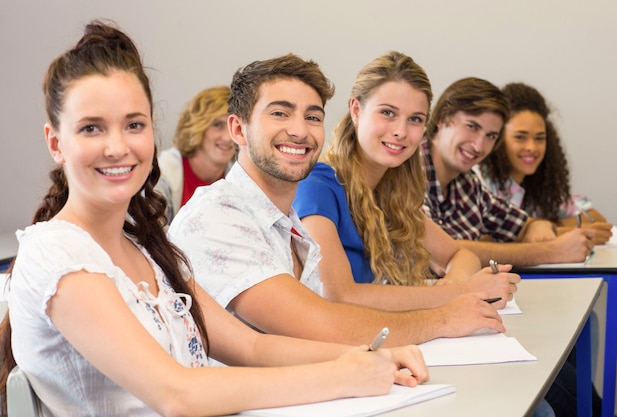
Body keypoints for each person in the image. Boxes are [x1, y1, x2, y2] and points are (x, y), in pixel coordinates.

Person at [0, 21, 429, 417]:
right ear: (56, 142)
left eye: (134, 125)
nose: (117, 147)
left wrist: (365, 356)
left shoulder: (148, 249)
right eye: (92, 128)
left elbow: (252, 346)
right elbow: (177, 395)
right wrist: (341, 377)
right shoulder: (57, 253)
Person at [168, 53, 508, 349]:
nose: (300, 131)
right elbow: (324, 321)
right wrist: (444, 314)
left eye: (313, 117)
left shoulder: (290, 225)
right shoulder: (217, 215)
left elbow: (316, 333)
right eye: (280, 114)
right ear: (239, 130)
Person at [290, 51, 518, 312]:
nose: (400, 131)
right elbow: (339, 295)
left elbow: (461, 255)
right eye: (388, 113)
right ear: (356, 109)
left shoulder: (389, 194)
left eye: (415, 119)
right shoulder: (317, 185)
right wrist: (460, 292)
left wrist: (453, 290)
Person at [421, 77, 595, 267]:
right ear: (442, 119)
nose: (479, 146)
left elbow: (524, 224)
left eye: (491, 136)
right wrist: (550, 251)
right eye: (472, 127)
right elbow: (441, 251)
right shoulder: (408, 171)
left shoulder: (468, 183)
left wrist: (539, 226)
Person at [478, 82, 612, 246]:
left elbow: (596, 219)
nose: (532, 147)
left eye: (540, 138)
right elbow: (485, 240)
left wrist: (544, 227)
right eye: (520, 137)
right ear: (498, 138)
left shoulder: (538, 188)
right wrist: (562, 231)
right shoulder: (480, 183)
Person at [155, 85, 236, 223]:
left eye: (233, 126)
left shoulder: (239, 178)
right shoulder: (161, 174)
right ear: (197, 126)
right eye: (218, 125)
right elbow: (152, 236)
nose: (228, 137)